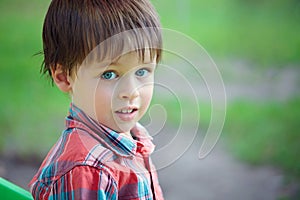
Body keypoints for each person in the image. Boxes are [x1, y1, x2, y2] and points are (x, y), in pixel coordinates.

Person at [29, 0, 164, 199]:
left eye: (142, 71)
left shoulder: (131, 137)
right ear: (64, 77)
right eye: (109, 74)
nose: (131, 91)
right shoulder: (87, 171)